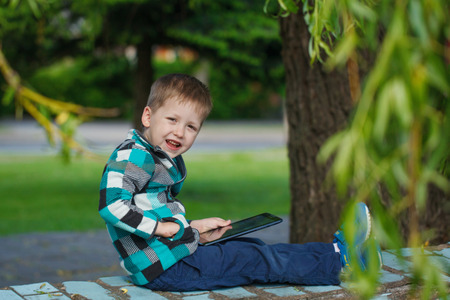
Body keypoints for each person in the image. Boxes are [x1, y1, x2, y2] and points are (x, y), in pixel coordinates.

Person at [98, 73, 382, 292]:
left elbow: (151, 210)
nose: (179, 132)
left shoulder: (151, 155)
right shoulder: (133, 156)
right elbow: (111, 206)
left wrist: (193, 229)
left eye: (191, 126)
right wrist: (163, 227)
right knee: (254, 258)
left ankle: (336, 253)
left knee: (253, 246)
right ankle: (346, 264)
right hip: (166, 268)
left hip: (171, 257)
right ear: (148, 116)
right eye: (172, 119)